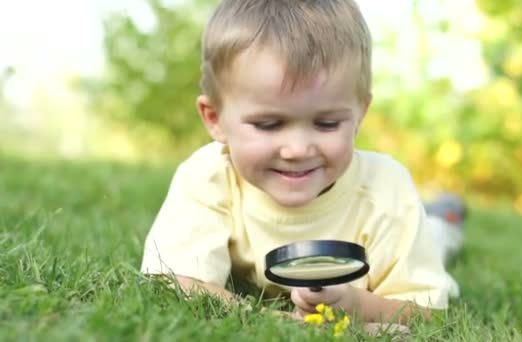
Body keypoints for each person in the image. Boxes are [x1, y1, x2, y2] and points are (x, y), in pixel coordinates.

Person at [141, 0, 462, 325]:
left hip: (400, 227)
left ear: (359, 114)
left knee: (434, 240)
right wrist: (268, 318)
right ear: (215, 119)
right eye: (268, 125)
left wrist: (352, 302)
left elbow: (427, 313)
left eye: (326, 124)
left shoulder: (386, 190)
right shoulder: (209, 175)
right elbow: (174, 282)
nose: (297, 150)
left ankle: (442, 223)